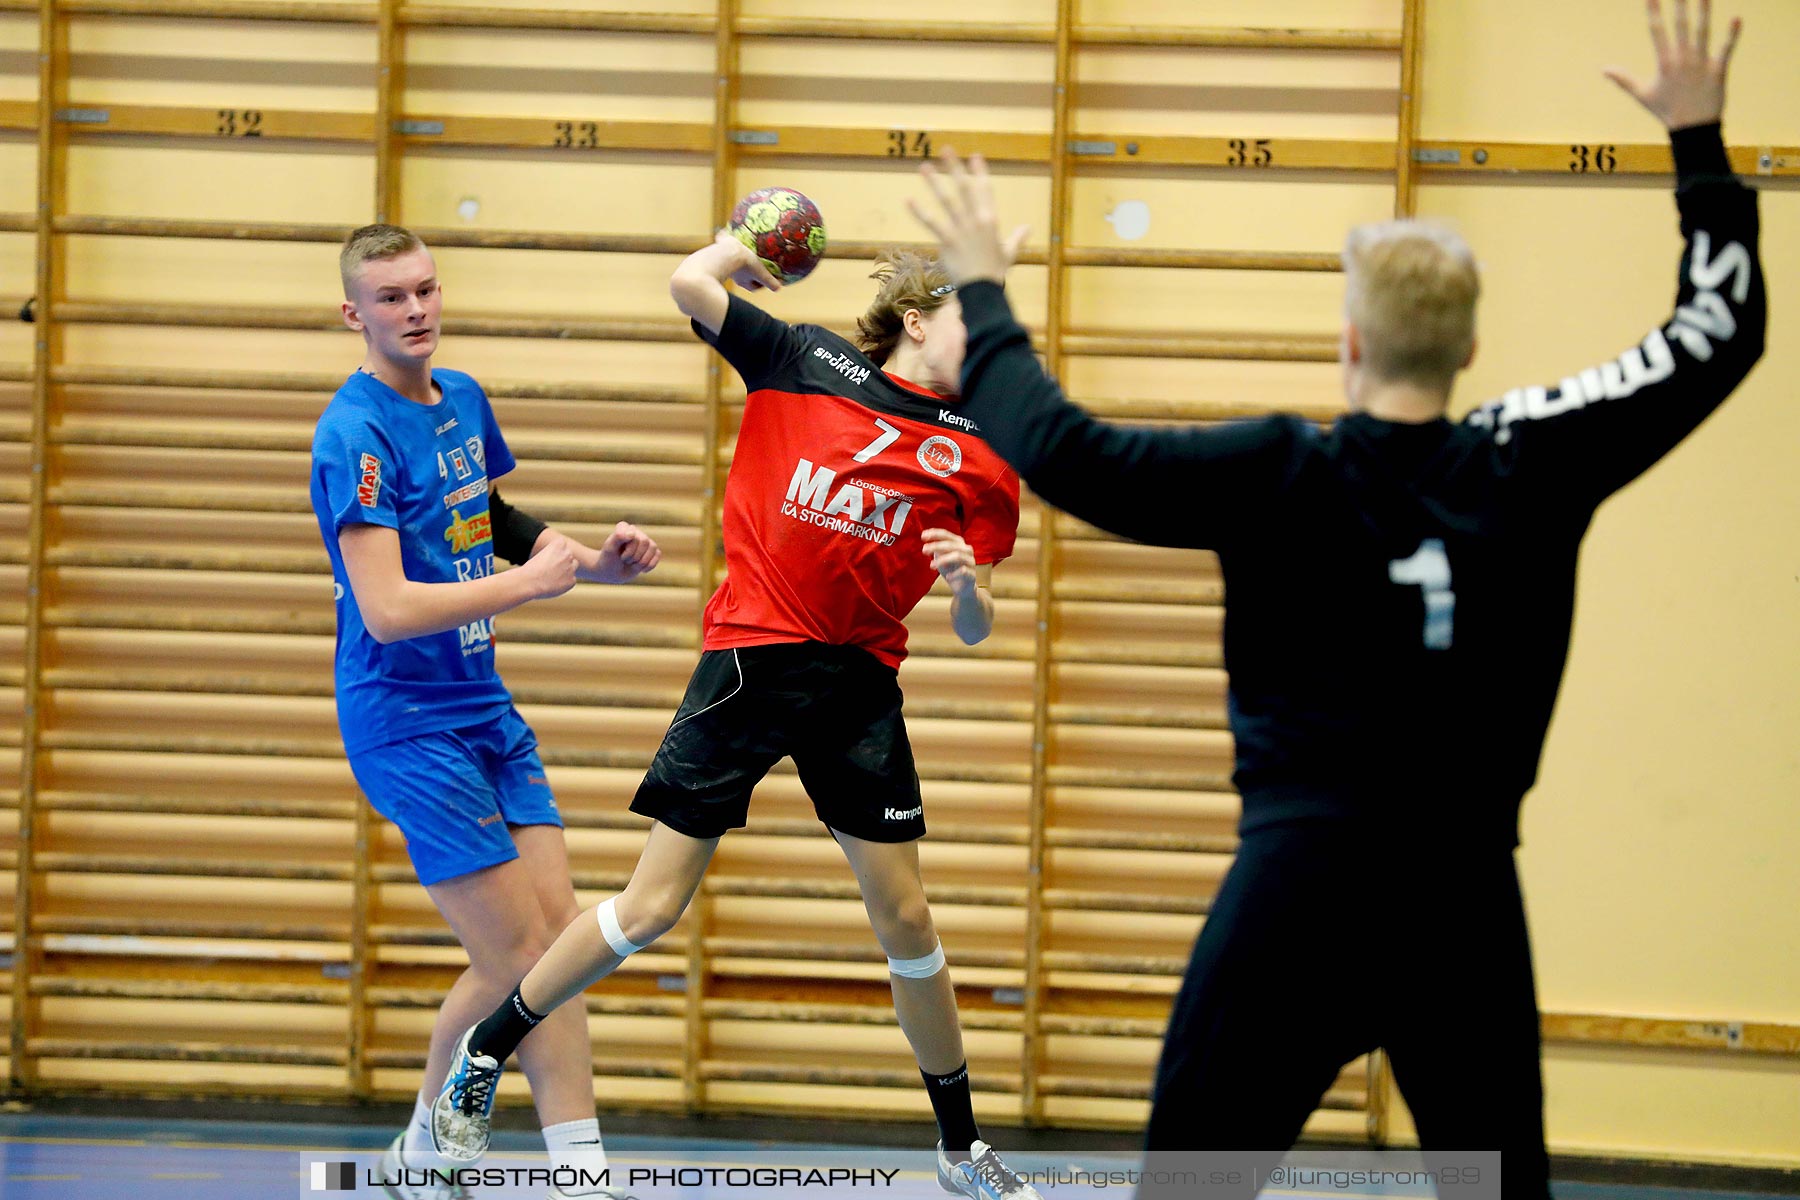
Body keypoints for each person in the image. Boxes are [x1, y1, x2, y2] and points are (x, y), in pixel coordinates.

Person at [906, 2, 1762, 1196]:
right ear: (1465, 350)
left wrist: (987, 307)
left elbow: (1067, 452)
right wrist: (1698, 143)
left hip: (1295, 896)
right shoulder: (1530, 460)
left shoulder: (1278, 469)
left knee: (1191, 1188)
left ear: (1350, 342)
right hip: (1462, 904)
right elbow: (1716, 335)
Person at [430, 236, 1047, 1200]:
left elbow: (974, 629)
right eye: (979, 315)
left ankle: (960, 1149)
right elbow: (689, 282)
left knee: (910, 917)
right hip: (752, 659)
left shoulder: (983, 451)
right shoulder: (801, 358)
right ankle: (488, 1046)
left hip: (857, 686)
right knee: (652, 906)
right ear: (919, 321)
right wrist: (742, 248)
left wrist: (968, 591)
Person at [310, 223, 662, 1200]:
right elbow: (383, 609)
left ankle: (574, 1172)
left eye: (424, 290)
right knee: (518, 959)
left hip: (483, 706)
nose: (415, 310)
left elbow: (489, 519)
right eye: (391, 298)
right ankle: (423, 1158)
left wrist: (592, 560)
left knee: (559, 950)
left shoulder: (461, 399)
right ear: (354, 314)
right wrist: (531, 591)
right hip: (406, 718)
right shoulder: (355, 434)